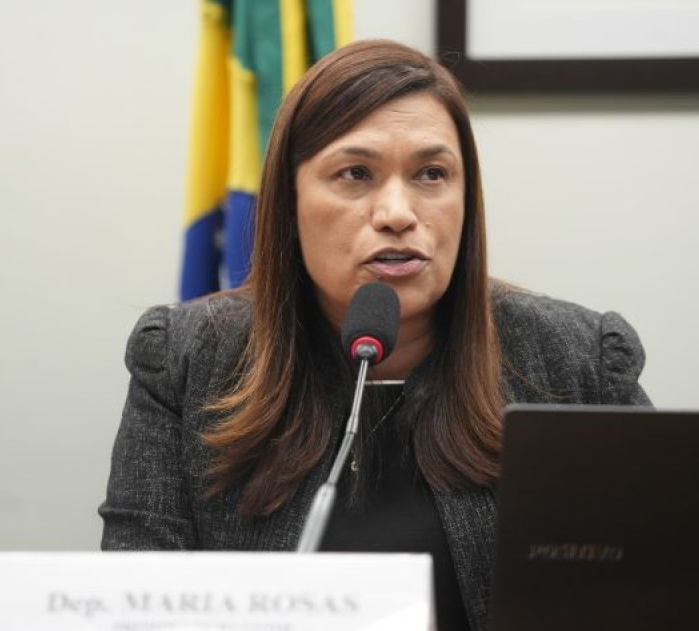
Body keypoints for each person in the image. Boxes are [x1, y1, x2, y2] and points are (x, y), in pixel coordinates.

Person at [100, 39, 650, 631]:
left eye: (432, 174)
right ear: (290, 202)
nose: (397, 213)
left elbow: (674, 585)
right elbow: (138, 604)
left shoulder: (575, 363)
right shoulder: (186, 362)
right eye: (355, 174)